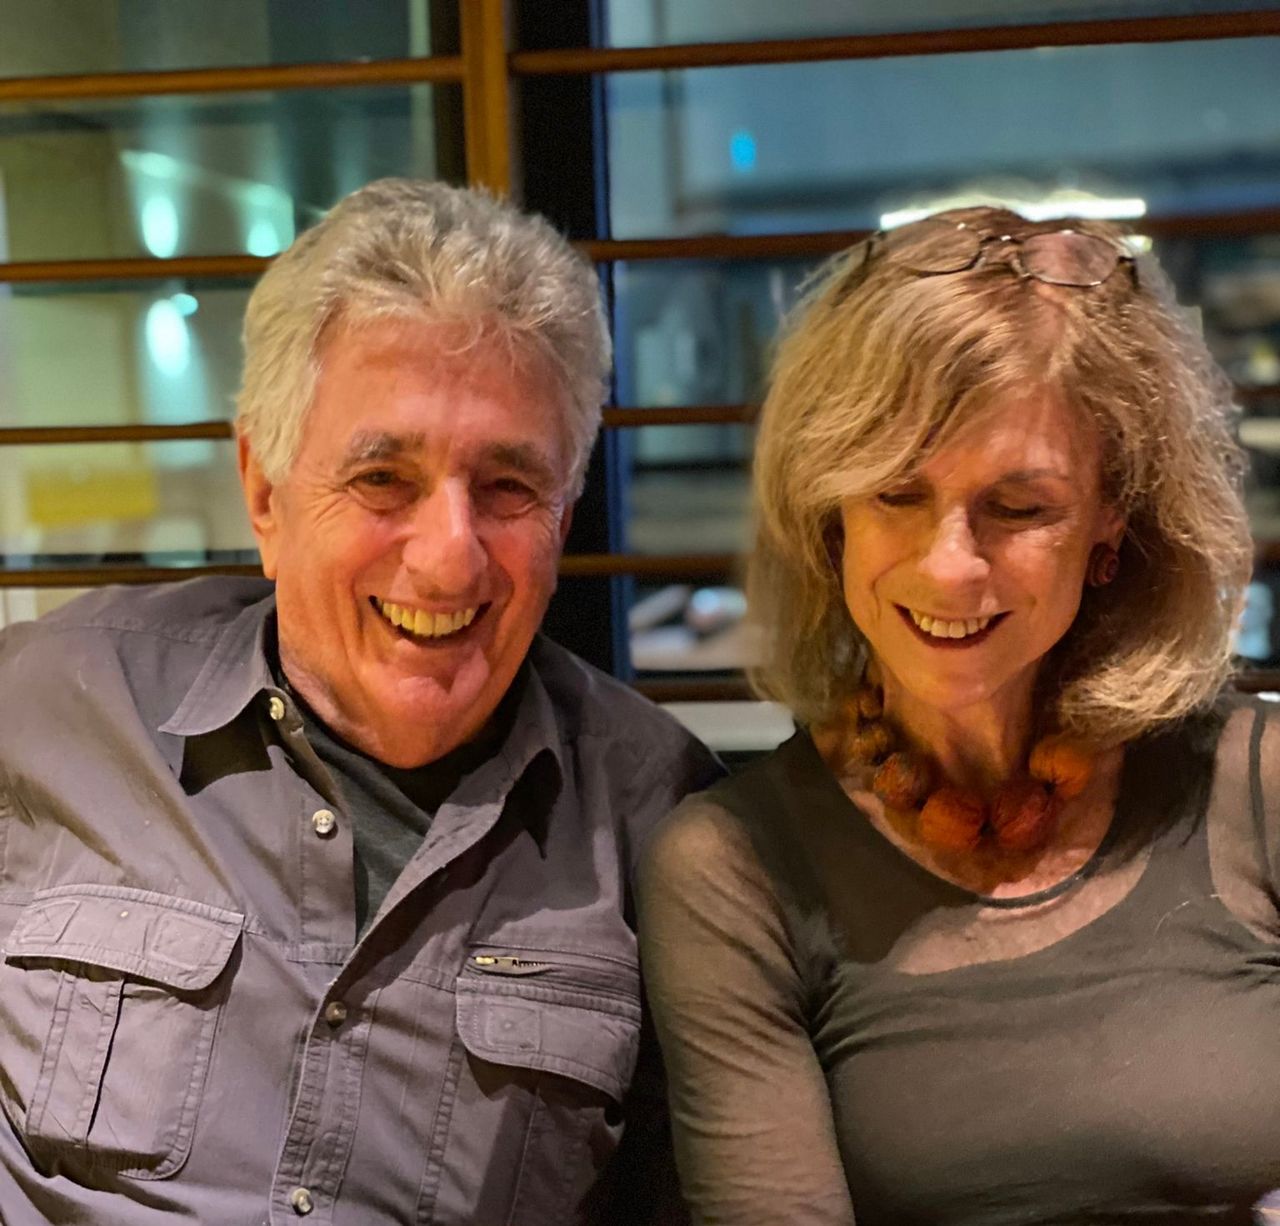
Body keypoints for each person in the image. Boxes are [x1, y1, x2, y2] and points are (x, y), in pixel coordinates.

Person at [0, 179, 720, 1224]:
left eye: (508, 487)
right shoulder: (46, 703)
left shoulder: (666, 821)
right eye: (383, 478)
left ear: (563, 515)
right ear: (264, 492)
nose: (449, 556)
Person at [638, 206, 1280, 1224]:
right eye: (896, 493)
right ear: (828, 514)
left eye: (1019, 508)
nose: (949, 565)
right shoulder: (732, 869)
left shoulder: (1259, 786)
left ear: (1112, 517)